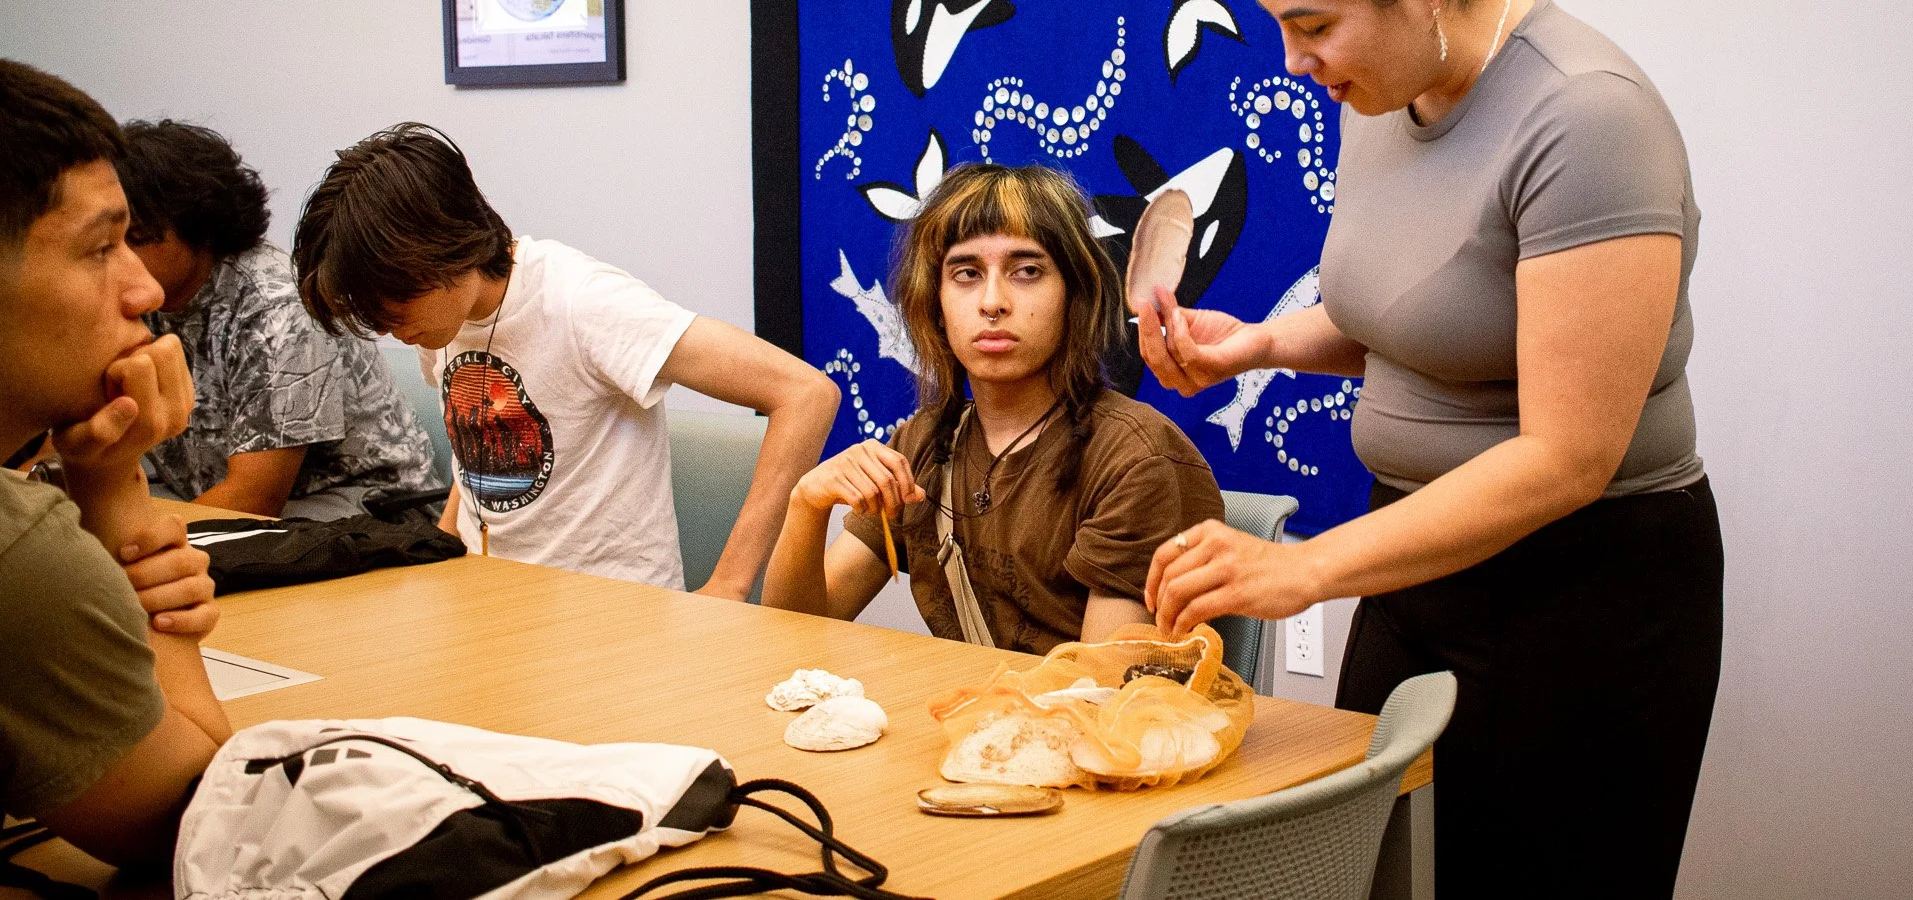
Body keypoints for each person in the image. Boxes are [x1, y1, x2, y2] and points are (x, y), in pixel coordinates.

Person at [1138, 0, 1720, 899]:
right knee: (1380, 875)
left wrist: (1299, 569)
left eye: (1312, 25)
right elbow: (1409, 322)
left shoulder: (1585, 119)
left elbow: (1566, 454)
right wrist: (1256, 344)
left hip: (1583, 590)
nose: (1293, 60)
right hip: (1416, 568)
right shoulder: (1382, 86)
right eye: (1276, 23)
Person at [292, 123, 838, 595]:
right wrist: (442, 541)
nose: (391, 329)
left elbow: (806, 394)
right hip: (486, 602)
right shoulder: (439, 321)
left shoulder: (581, 302)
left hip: (611, 618)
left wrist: (729, 584)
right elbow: (477, 440)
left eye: (393, 306)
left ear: (441, 248)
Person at [763, 163, 1224, 653]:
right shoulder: (922, 443)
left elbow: (1098, 694)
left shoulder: (1135, 460)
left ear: (1076, 295)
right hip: (979, 720)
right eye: (966, 273)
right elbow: (797, 638)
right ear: (934, 303)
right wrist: (806, 505)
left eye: (1027, 271)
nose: (992, 302)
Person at [0, 60, 231, 867]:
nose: (142, 291)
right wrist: (113, 484)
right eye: (101, 249)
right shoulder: (17, 559)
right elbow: (203, 822)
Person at [113, 120, 440, 519]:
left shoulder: (278, 306)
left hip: (365, 508)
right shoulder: (131, 299)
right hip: (216, 502)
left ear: (197, 226)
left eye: (137, 238)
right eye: (109, 241)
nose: (118, 259)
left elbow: (255, 498)